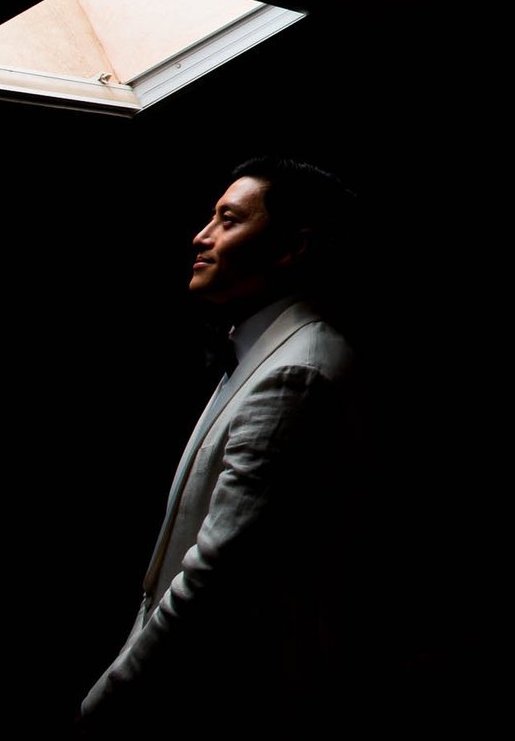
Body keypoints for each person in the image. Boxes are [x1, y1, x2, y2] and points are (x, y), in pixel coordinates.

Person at [77, 157, 366, 735]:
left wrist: (108, 698)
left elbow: (217, 575)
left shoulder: (297, 374)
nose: (201, 236)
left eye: (228, 220)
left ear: (293, 248)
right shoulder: (265, 352)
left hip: (222, 701)